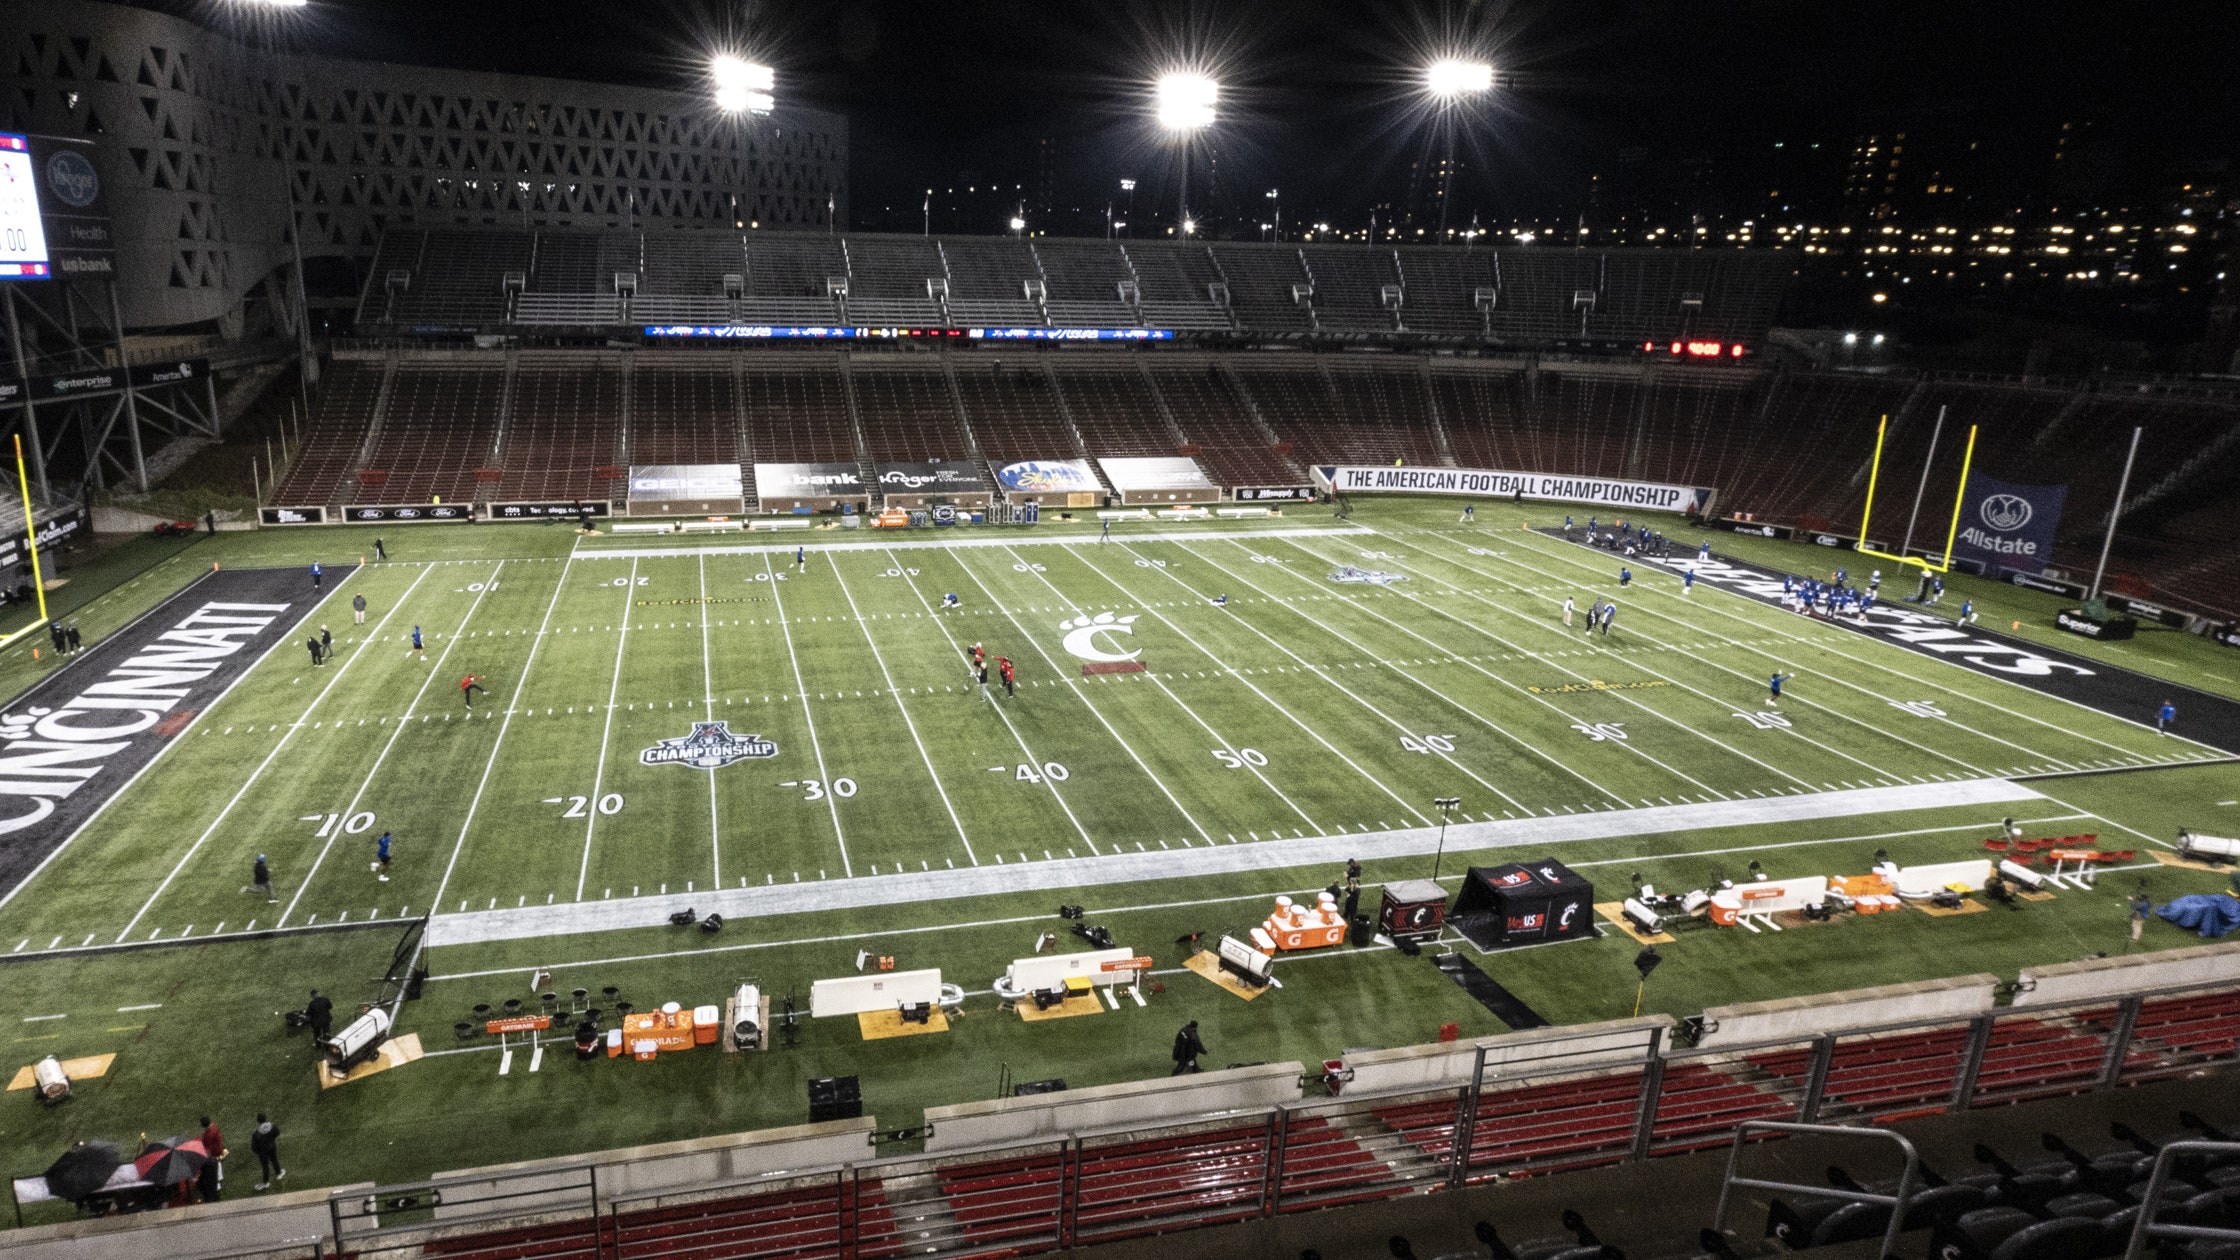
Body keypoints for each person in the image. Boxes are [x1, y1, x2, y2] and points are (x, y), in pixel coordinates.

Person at [250, 1115, 284, 1191]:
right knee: (274, 1160)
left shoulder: (256, 1133)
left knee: (265, 1166)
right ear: (265, 1119)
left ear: (258, 1121)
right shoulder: (272, 1126)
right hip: (272, 1146)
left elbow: (254, 1147)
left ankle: (266, 1183)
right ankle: (279, 1173)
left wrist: (258, 1152)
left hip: (262, 1152)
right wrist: (272, 1140)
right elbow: (277, 1132)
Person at [198, 1115, 225, 1201]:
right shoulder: (214, 1126)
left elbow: (208, 1149)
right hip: (218, 1149)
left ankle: (216, 1187)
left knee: (213, 1173)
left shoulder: (208, 1135)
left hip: (214, 1153)